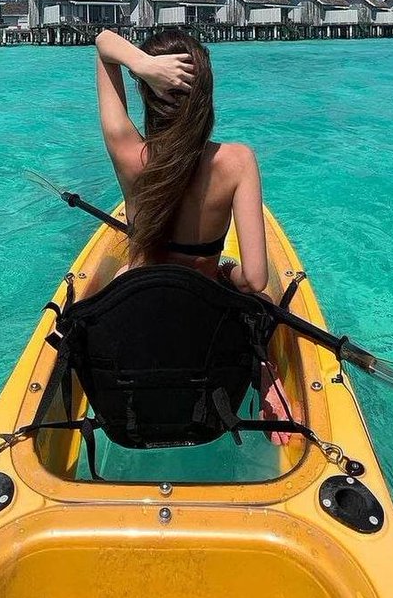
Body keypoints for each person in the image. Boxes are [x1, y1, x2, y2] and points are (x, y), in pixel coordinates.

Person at [94, 27, 291, 439]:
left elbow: (103, 44)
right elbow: (254, 279)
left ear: (148, 92)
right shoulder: (237, 162)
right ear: (205, 97)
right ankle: (266, 374)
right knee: (267, 296)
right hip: (207, 321)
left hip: (143, 315)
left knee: (118, 279)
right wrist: (224, 272)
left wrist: (143, 65)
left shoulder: (127, 152)